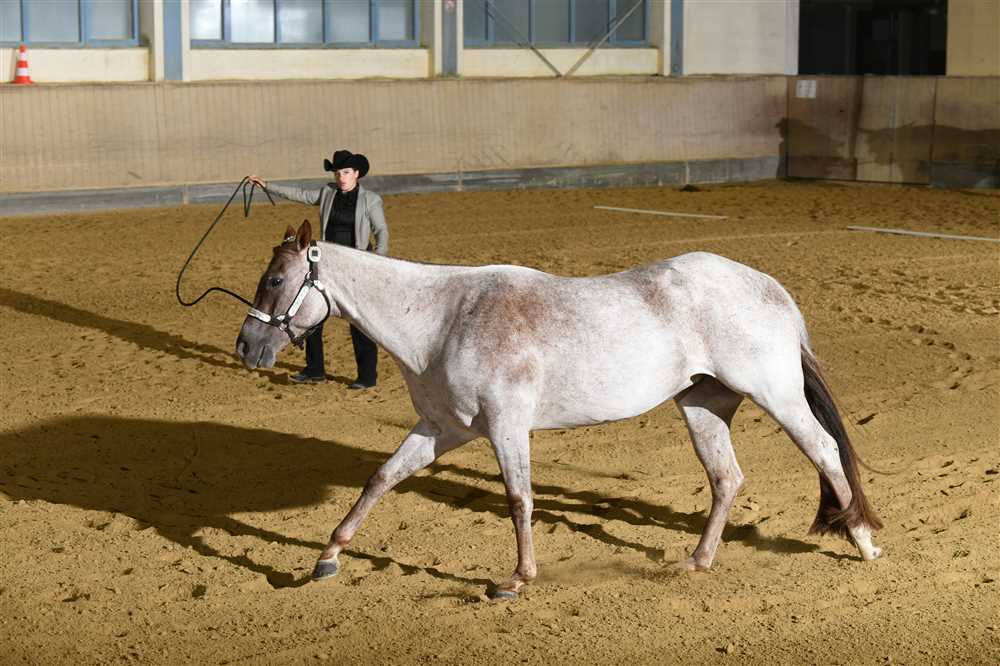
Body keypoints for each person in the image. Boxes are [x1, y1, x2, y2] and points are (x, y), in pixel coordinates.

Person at [248, 150, 388, 389]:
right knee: (311, 319)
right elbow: (299, 194)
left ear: (356, 174)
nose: (341, 177)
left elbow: (381, 230)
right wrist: (267, 186)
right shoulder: (327, 193)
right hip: (326, 264)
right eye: (337, 173)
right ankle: (315, 370)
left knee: (360, 324)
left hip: (356, 265)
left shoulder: (370, 200)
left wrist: (378, 259)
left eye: (346, 172)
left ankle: (367, 377)